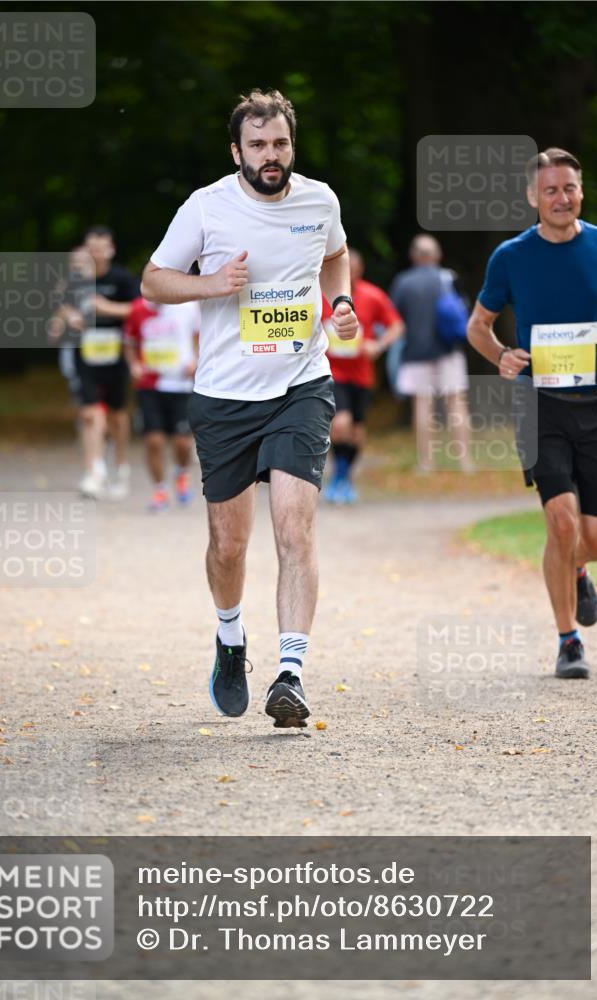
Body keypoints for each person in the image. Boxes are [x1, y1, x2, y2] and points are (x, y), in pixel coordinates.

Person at [141, 89, 357, 727]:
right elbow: (154, 279)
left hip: (301, 385)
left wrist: (338, 305)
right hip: (226, 396)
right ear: (237, 150)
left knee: (295, 529)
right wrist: (211, 284)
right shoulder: (206, 208)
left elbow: (336, 255)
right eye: (258, 145)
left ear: (293, 145)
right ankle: (230, 637)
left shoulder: (320, 200)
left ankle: (290, 673)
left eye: (281, 143)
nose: (271, 156)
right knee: (229, 545)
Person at [467, 147, 597, 679]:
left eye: (569, 188)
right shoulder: (511, 256)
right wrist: (501, 356)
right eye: (549, 190)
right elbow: (477, 327)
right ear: (532, 197)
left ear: (581, 191)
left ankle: (576, 567)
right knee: (561, 518)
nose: (560, 198)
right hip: (538, 404)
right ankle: (568, 640)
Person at [49, 227, 139, 498]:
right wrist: (67, 317)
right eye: (91, 249)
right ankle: (94, 471)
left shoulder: (122, 279)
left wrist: (107, 308)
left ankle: (121, 468)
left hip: (116, 352)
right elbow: (60, 306)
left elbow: (139, 310)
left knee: (117, 415)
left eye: (101, 249)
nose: (96, 254)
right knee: (90, 413)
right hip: (84, 352)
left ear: (111, 250)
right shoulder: (74, 281)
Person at [322, 248, 404, 502]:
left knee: (356, 431)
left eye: (353, 271)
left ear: (360, 271)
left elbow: (397, 326)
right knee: (340, 423)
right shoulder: (321, 293)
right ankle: (338, 475)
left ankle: (345, 477)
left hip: (361, 374)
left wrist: (378, 345)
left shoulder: (372, 295)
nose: (349, 275)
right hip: (332, 372)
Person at [390, 235, 474, 473]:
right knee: (456, 403)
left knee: (423, 406)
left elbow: (395, 318)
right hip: (449, 351)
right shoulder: (448, 277)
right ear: (437, 255)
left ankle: (426, 463)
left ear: (414, 256)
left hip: (416, 353)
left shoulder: (403, 282)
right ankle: (465, 461)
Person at [124, 296, 200, 510]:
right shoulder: (137, 309)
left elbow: (201, 336)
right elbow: (129, 342)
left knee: (182, 442)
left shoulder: (188, 306)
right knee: (154, 441)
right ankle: (160, 490)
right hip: (150, 385)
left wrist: (196, 359)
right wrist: (133, 365)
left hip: (180, 384)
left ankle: (182, 473)